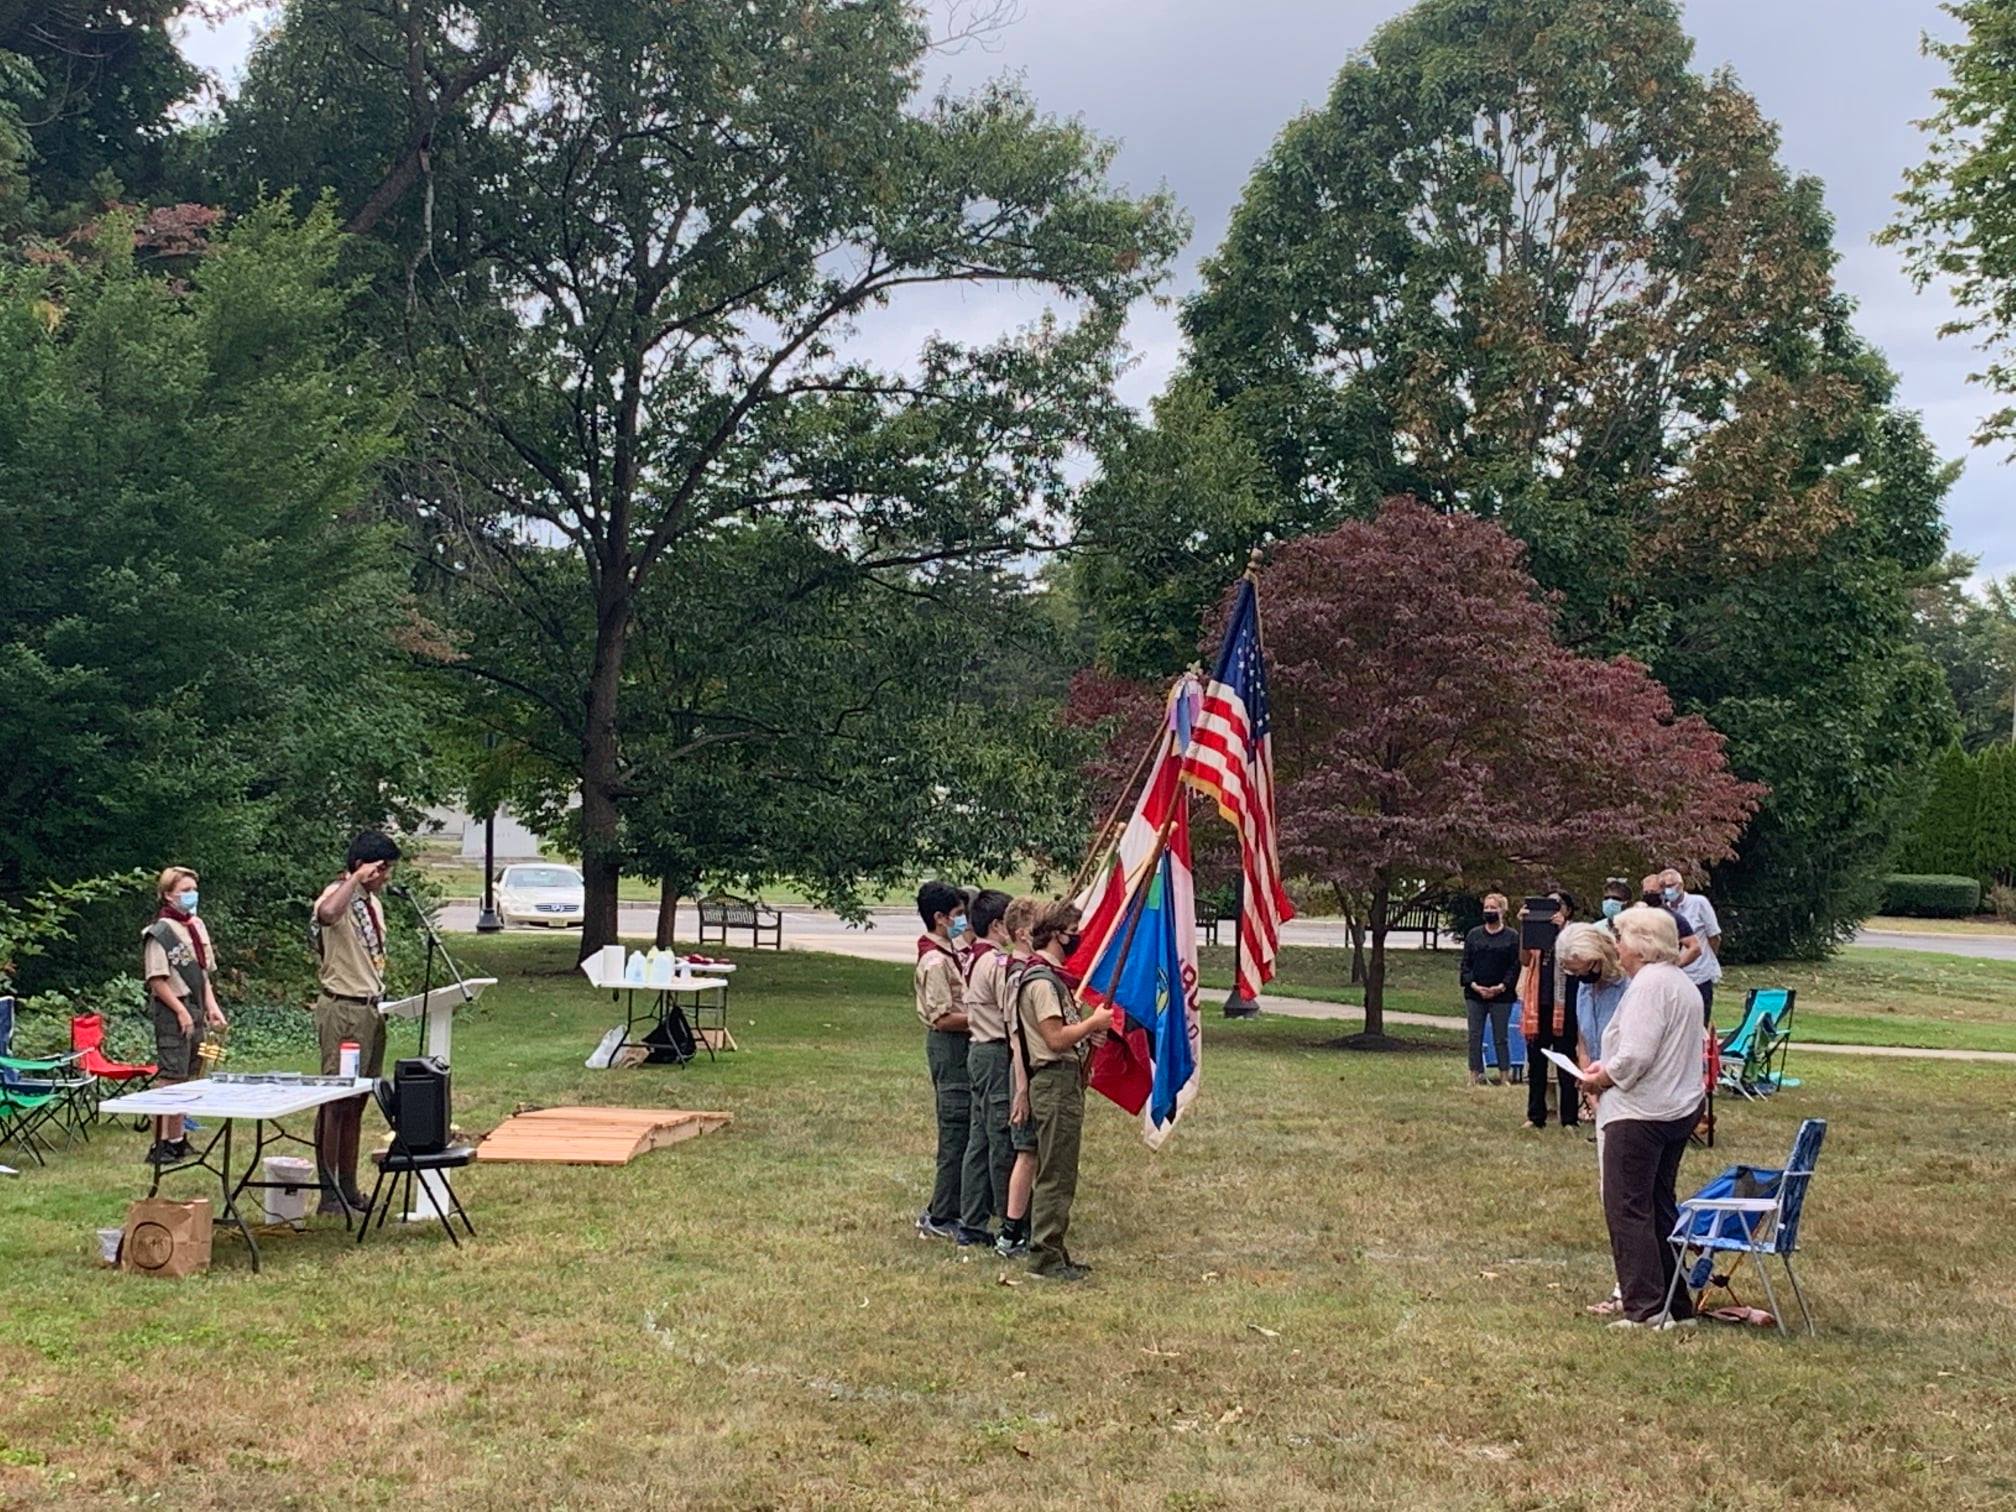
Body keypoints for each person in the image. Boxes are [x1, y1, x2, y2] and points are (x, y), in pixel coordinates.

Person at [1583, 906, 1707, 1329]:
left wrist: (1603, 1078)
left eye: (1621, 938)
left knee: (1627, 1207)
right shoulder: (1681, 983)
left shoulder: (1650, 985)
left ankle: (1646, 1308)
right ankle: (1676, 1305)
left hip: (1641, 1112)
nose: (1617, 947)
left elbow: (1635, 1053)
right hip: (1676, 1108)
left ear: (1640, 944)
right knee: (1658, 1206)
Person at [1012, 901, 1112, 1281]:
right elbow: (1054, 1038)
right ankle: (1044, 1258)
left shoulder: (1053, 979)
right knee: (1055, 1172)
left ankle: (1056, 1249)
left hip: (1062, 1080)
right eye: (1074, 930)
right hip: (1053, 1081)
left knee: (1061, 1168)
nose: (1079, 937)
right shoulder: (1040, 981)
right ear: (1056, 934)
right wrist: (1090, 1025)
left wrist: (1088, 1031)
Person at [310, 830, 400, 1216]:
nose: (387, 878)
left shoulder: (372, 904)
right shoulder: (337, 897)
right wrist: (353, 880)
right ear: (369, 868)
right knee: (335, 1099)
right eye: (384, 870)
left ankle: (349, 1186)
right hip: (343, 1008)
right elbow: (327, 916)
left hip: (370, 1008)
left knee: (359, 1098)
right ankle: (328, 1190)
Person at [1559, 922, 1629, 1316]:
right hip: (1601, 1093)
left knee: (1624, 1192)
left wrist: (1604, 1080)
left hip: (1627, 1093)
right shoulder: (1585, 990)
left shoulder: (1631, 989)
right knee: (1609, 1188)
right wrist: (1586, 1078)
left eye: (1585, 968)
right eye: (1572, 972)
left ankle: (1631, 1285)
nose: (1581, 977)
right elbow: (1585, 1038)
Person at [140, 867, 228, 1165]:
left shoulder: (197, 925)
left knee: (188, 1077)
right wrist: (180, 1011)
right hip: (172, 1007)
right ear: (168, 895)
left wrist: (211, 1006)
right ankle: (160, 1143)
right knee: (170, 1076)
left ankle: (178, 1140)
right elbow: (156, 979)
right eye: (185, 890)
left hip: (195, 1005)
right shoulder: (160, 932)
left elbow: (202, 974)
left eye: (194, 889)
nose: (192, 895)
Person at [957, 889, 1016, 1248]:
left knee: (978, 1141)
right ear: (997, 925)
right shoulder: (996, 964)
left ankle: (972, 1217)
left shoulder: (972, 956)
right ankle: (1007, 1216)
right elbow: (1011, 1013)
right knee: (999, 1139)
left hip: (977, 1049)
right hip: (993, 1052)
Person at [913, 881, 971, 1241]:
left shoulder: (951, 950)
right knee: (954, 1128)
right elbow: (942, 1017)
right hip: (949, 1047)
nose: (963, 921)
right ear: (939, 918)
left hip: (963, 1045)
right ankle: (940, 1213)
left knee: (966, 1128)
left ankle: (961, 1203)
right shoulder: (934, 961)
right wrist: (984, 1017)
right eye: (958, 915)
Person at [996, 895, 1042, 1258]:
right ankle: (1011, 1232)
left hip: (1029, 1069)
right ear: (1025, 933)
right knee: (1026, 1150)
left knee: (1034, 1151)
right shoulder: (1017, 975)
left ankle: (1025, 1224)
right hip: (1022, 1071)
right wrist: (1022, 1090)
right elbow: (1016, 1036)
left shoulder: (1030, 969)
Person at [1518, 889, 1580, 1131]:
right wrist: (1525, 926)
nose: (1553, 910)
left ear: (1568, 910)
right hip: (1538, 1006)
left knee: (1565, 1063)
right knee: (1537, 1064)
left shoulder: (1574, 932)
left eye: (1558, 905)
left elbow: (1578, 957)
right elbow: (1524, 960)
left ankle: (1569, 1118)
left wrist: (1562, 928)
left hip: (1564, 1007)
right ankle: (1535, 1116)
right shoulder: (1536, 931)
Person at [1459, 892, 1519, 1086]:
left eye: (1493, 908)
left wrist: (1501, 987)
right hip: (1475, 994)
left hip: (1502, 995)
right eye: (1486, 908)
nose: (1489, 911)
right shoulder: (1474, 935)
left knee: (1501, 1036)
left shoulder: (1512, 937)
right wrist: (1474, 985)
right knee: (1474, 1035)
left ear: (1502, 910)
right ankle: (1474, 1074)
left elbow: (1514, 966)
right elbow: (1466, 964)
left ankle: (1504, 1075)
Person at [1661, 868, 1723, 1026]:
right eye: (1664, 886)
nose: (1667, 890)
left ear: (1680, 885)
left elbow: (1714, 936)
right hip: (1676, 977)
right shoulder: (1665, 911)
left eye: (1671, 885)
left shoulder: (1699, 903)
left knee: (1699, 1024)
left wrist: (1709, 958)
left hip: (1699, 975)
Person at [1638, 872, 1701, 971]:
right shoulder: (1637, 916)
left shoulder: (1674, 918)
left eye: (1653, 891)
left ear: (1662, 892)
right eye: (1646, 892)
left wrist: (1676, 966)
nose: (1649, 895)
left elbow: (1695, 948)